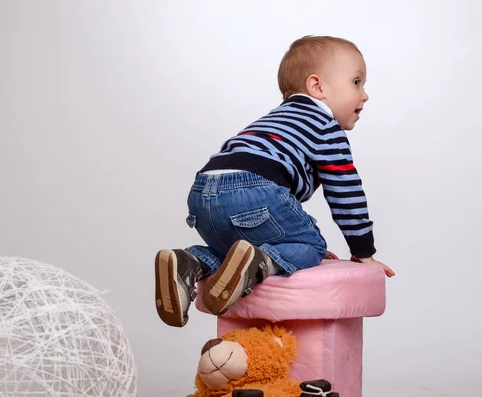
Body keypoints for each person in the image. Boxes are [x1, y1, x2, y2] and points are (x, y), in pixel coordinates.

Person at [154, 35, 395, 328]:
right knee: (312, 246)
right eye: (356, 82)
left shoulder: (276, 118)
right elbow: (345, 192)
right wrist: (363, 252)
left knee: (231, 253)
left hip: (202, 192)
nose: (365, 94)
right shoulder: (325, 126)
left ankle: (190, 262)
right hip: (254, 186)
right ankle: (260, 262)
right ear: (317, 86)